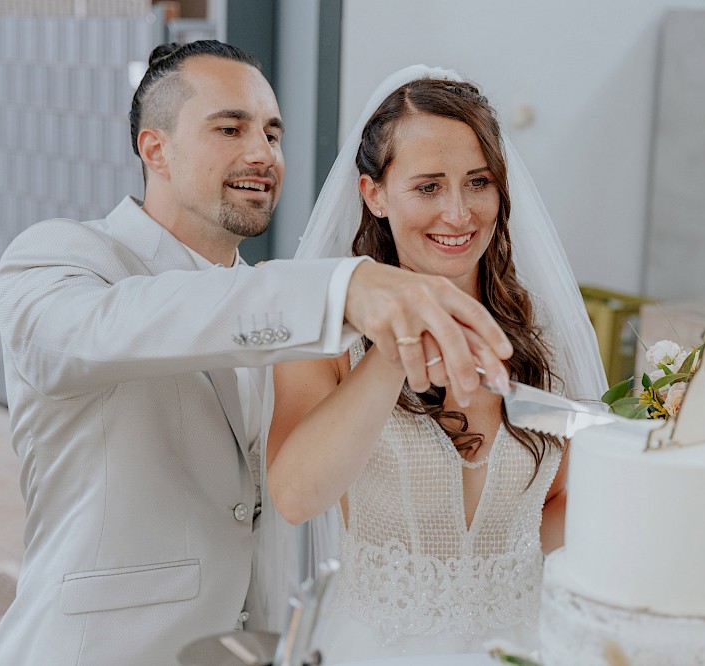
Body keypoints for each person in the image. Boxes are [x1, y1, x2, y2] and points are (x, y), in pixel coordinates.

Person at [0, 43, 513, 666]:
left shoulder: (270, 306)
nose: (262, 153)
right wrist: (342, 286)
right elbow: (112, 327)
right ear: (154, 149)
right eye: (230, 128)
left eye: (272, 131)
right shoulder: (59, 259)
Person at [265, 65, 608, 662]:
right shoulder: (324, 339)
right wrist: (397, 348)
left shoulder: (541, 336)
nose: (459, 213)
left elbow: (553, 509)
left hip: (521, 647)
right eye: (428, 187)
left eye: (478, 182)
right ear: (374, 195)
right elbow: (295, 497)